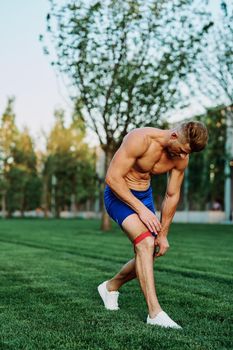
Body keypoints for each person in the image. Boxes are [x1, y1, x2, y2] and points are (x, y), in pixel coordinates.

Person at [97, 121, 208, 329]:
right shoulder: (140, 138)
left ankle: (110, 287)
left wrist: (163, 234)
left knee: (151, 249)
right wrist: (141, 210)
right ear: (174, 136)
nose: (184, 156)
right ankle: (154, 313)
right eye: (183, 150)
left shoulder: (181, 157)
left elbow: (172, 195)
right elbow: (112, 178)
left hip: (143, 197)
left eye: (188, 153)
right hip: (118, 195)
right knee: (145, 243)